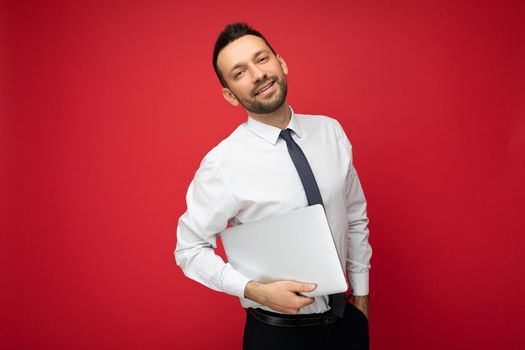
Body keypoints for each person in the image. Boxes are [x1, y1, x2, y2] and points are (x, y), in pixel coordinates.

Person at [174, 22, 372, 349]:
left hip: (346, 324)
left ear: (281, 62)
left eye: (261, 59)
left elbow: (354, 216)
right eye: (239, 73)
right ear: (229, 95)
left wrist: (362, 297)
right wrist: (254, 290)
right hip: (277, 335)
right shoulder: (223, 163)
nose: (257, 75)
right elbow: (189, 250)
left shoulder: (330, 132)